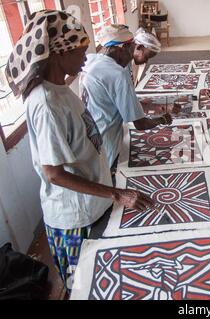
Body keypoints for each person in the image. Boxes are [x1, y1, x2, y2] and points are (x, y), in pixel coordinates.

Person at [5, 10, 154, 291]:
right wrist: (117, 193)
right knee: (87, 287)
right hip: (74, 218)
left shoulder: (60, 89)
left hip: (92, 205)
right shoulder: (47, 103)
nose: (86, 59)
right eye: (80, 52)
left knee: (106, 281)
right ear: (59, 54)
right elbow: (54, 174)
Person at [80, 24, 172, 174]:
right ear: (124, 47)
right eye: (132, 48)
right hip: (106, 139)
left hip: (88, 136)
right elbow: (140, 123)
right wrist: (163, 120)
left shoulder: (90, 60)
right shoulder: (117, 74)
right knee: (109, 177)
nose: (132, 54)